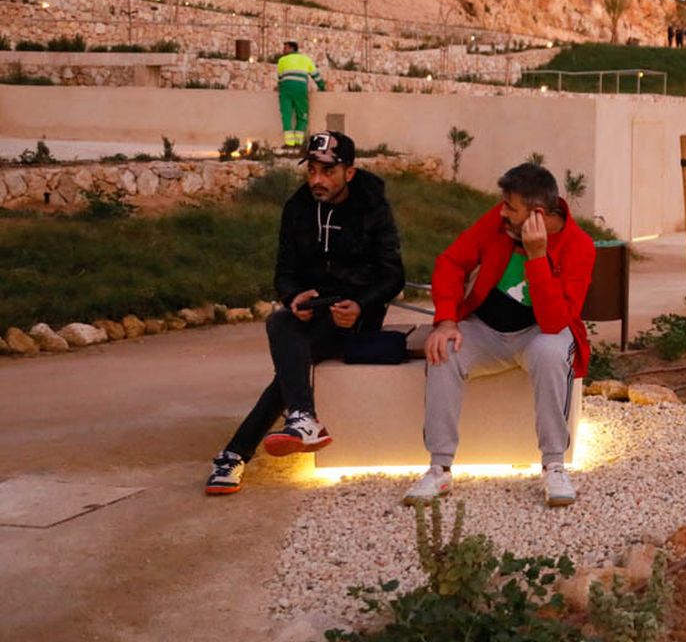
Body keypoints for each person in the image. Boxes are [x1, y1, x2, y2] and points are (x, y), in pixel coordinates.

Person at [205, 131, 405, 496]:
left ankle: (236, 452)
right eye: (311, 170)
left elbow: (393, 273)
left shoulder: (373, 207)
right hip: (311, 312)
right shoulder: (297, 208)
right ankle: (299, 419)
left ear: (349, 172)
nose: (317, 180)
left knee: (289, 365)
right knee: (281, 321)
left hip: (355, 314)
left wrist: (361, 304)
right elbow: (284, 271)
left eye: (327, 171)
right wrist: (293, 296)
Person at [404, 163, 595, 508]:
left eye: (511, 207)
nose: (502, 212)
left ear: (536, 214)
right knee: (444, 349)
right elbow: (450, 262)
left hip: (539, 334)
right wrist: (446, 320)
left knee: (554, 351)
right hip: (486, 331)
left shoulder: (579, 246)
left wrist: (537, 256)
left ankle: (554, 464)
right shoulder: (497, 223)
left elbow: (554, 323)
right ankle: (439, 467)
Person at [275, 40, 325, 149]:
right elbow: (315, 75)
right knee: (302, 116)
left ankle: (289, 143)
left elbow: (279, 78)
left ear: (292, 48)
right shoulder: (306, 59)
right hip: (300, 90)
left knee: (286, 116)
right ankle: (298, 142)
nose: (283, 50)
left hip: (285, 91)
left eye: (285, 47)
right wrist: (322, 86)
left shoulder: (282, 60)